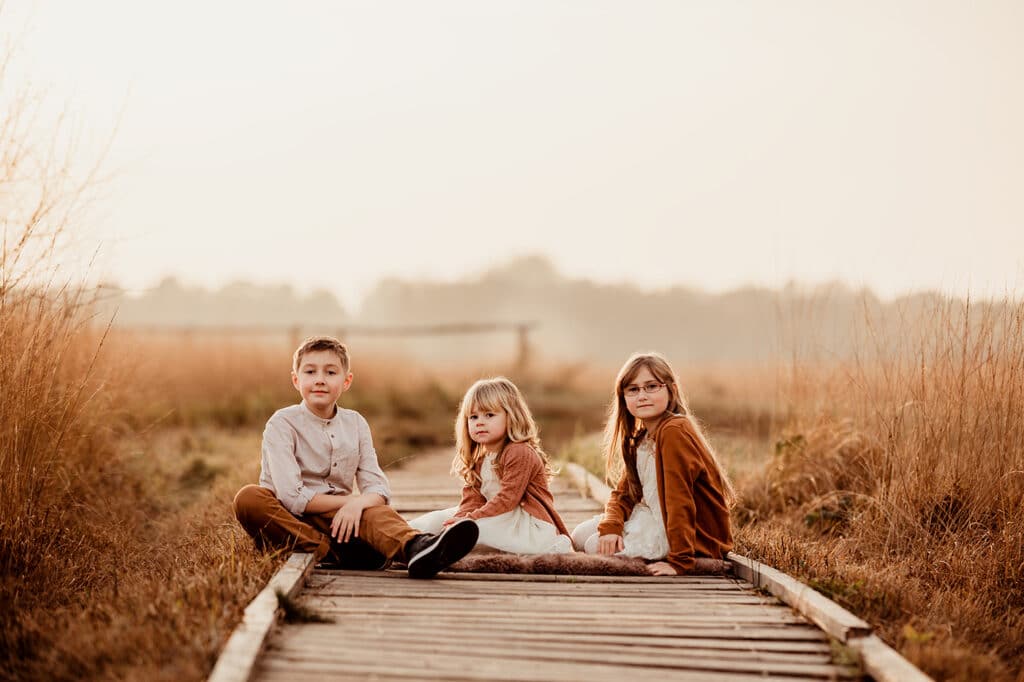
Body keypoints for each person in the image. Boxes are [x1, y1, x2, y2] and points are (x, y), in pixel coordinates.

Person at [232, 335, 478, 579]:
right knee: (249, 498)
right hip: (287, 520)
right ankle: (329, 551)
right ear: (296, 380)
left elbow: (378, 488)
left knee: (376, 512)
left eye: (330, 373)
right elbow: (291, 496)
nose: (319, 380)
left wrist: (358, 504)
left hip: (339, 521)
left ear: (346, 381)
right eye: (310, 372)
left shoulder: (356, 423)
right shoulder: (282, 423)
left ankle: (419, 548)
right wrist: (350, 502)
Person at [571, 352, 734, 575]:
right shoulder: (640, 438)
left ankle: (673, 552)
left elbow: (680, 500)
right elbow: (624, 494)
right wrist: (612, 526)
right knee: (580, 536)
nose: (642, 396)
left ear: (671, 390)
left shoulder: (673, 431)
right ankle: (629, 541)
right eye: (633, 389)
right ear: (623, 397)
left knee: (593, 546)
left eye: (651, 386)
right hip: (651, 517)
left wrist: (679, 562)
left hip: (688, 533)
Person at [410, 377, 573, 555]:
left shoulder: (519, 452)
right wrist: (459, 519)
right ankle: (406, 541)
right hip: (493, 515)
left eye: (489, 415)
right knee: (439, 519)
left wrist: (470, 520)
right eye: (473, 417)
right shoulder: (480, 459)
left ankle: (442, 548)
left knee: (477, 529)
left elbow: (507, 500)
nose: (479, 422)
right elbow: (473, 500)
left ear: (511, 416)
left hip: (524, 524)